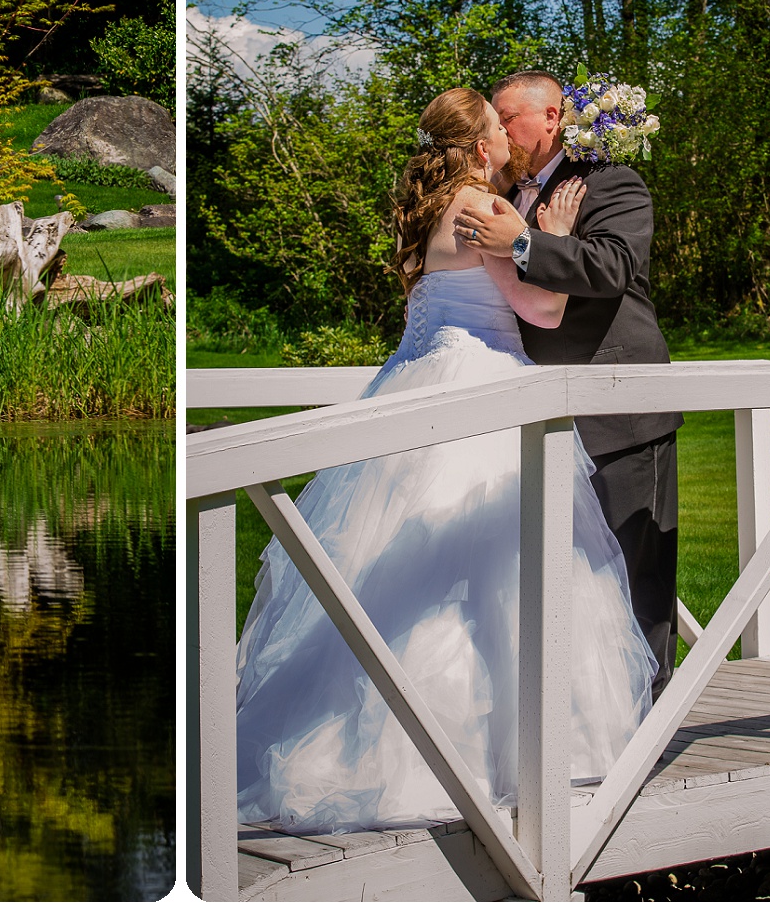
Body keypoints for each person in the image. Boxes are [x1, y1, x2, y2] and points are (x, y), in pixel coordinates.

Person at [234, 87, 655, 835]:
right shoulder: (482, 208)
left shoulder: (431, 208)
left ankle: (375, 738)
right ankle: (498, 756)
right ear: (477, 143)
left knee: (405, 568)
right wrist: (546, 229)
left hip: (416, 381)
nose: (503, 135)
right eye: (494, 125)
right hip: (480, 390)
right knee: (494, 571)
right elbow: (542, 312)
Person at [456, 70, 682, 690]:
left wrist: (525, 243)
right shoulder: (503, 191)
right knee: (571, 584)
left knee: (639, 576)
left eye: (508, 118)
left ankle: (653, 716)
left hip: (620, 412)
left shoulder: (611, 183)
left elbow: (611, 267)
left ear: (552, 117)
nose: (497, 130)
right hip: (543, 418)